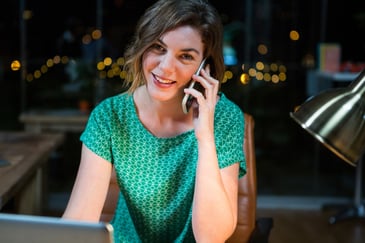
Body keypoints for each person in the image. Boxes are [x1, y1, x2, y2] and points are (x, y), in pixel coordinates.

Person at [62, 0, 246, 242]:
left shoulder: (225, 118)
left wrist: (205, 137)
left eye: (185, 56)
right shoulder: (110, 116)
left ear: (204, 68)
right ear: (143, 46)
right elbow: (79, 221)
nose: (166, 67)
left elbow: (211, 238)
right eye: (158, 47)